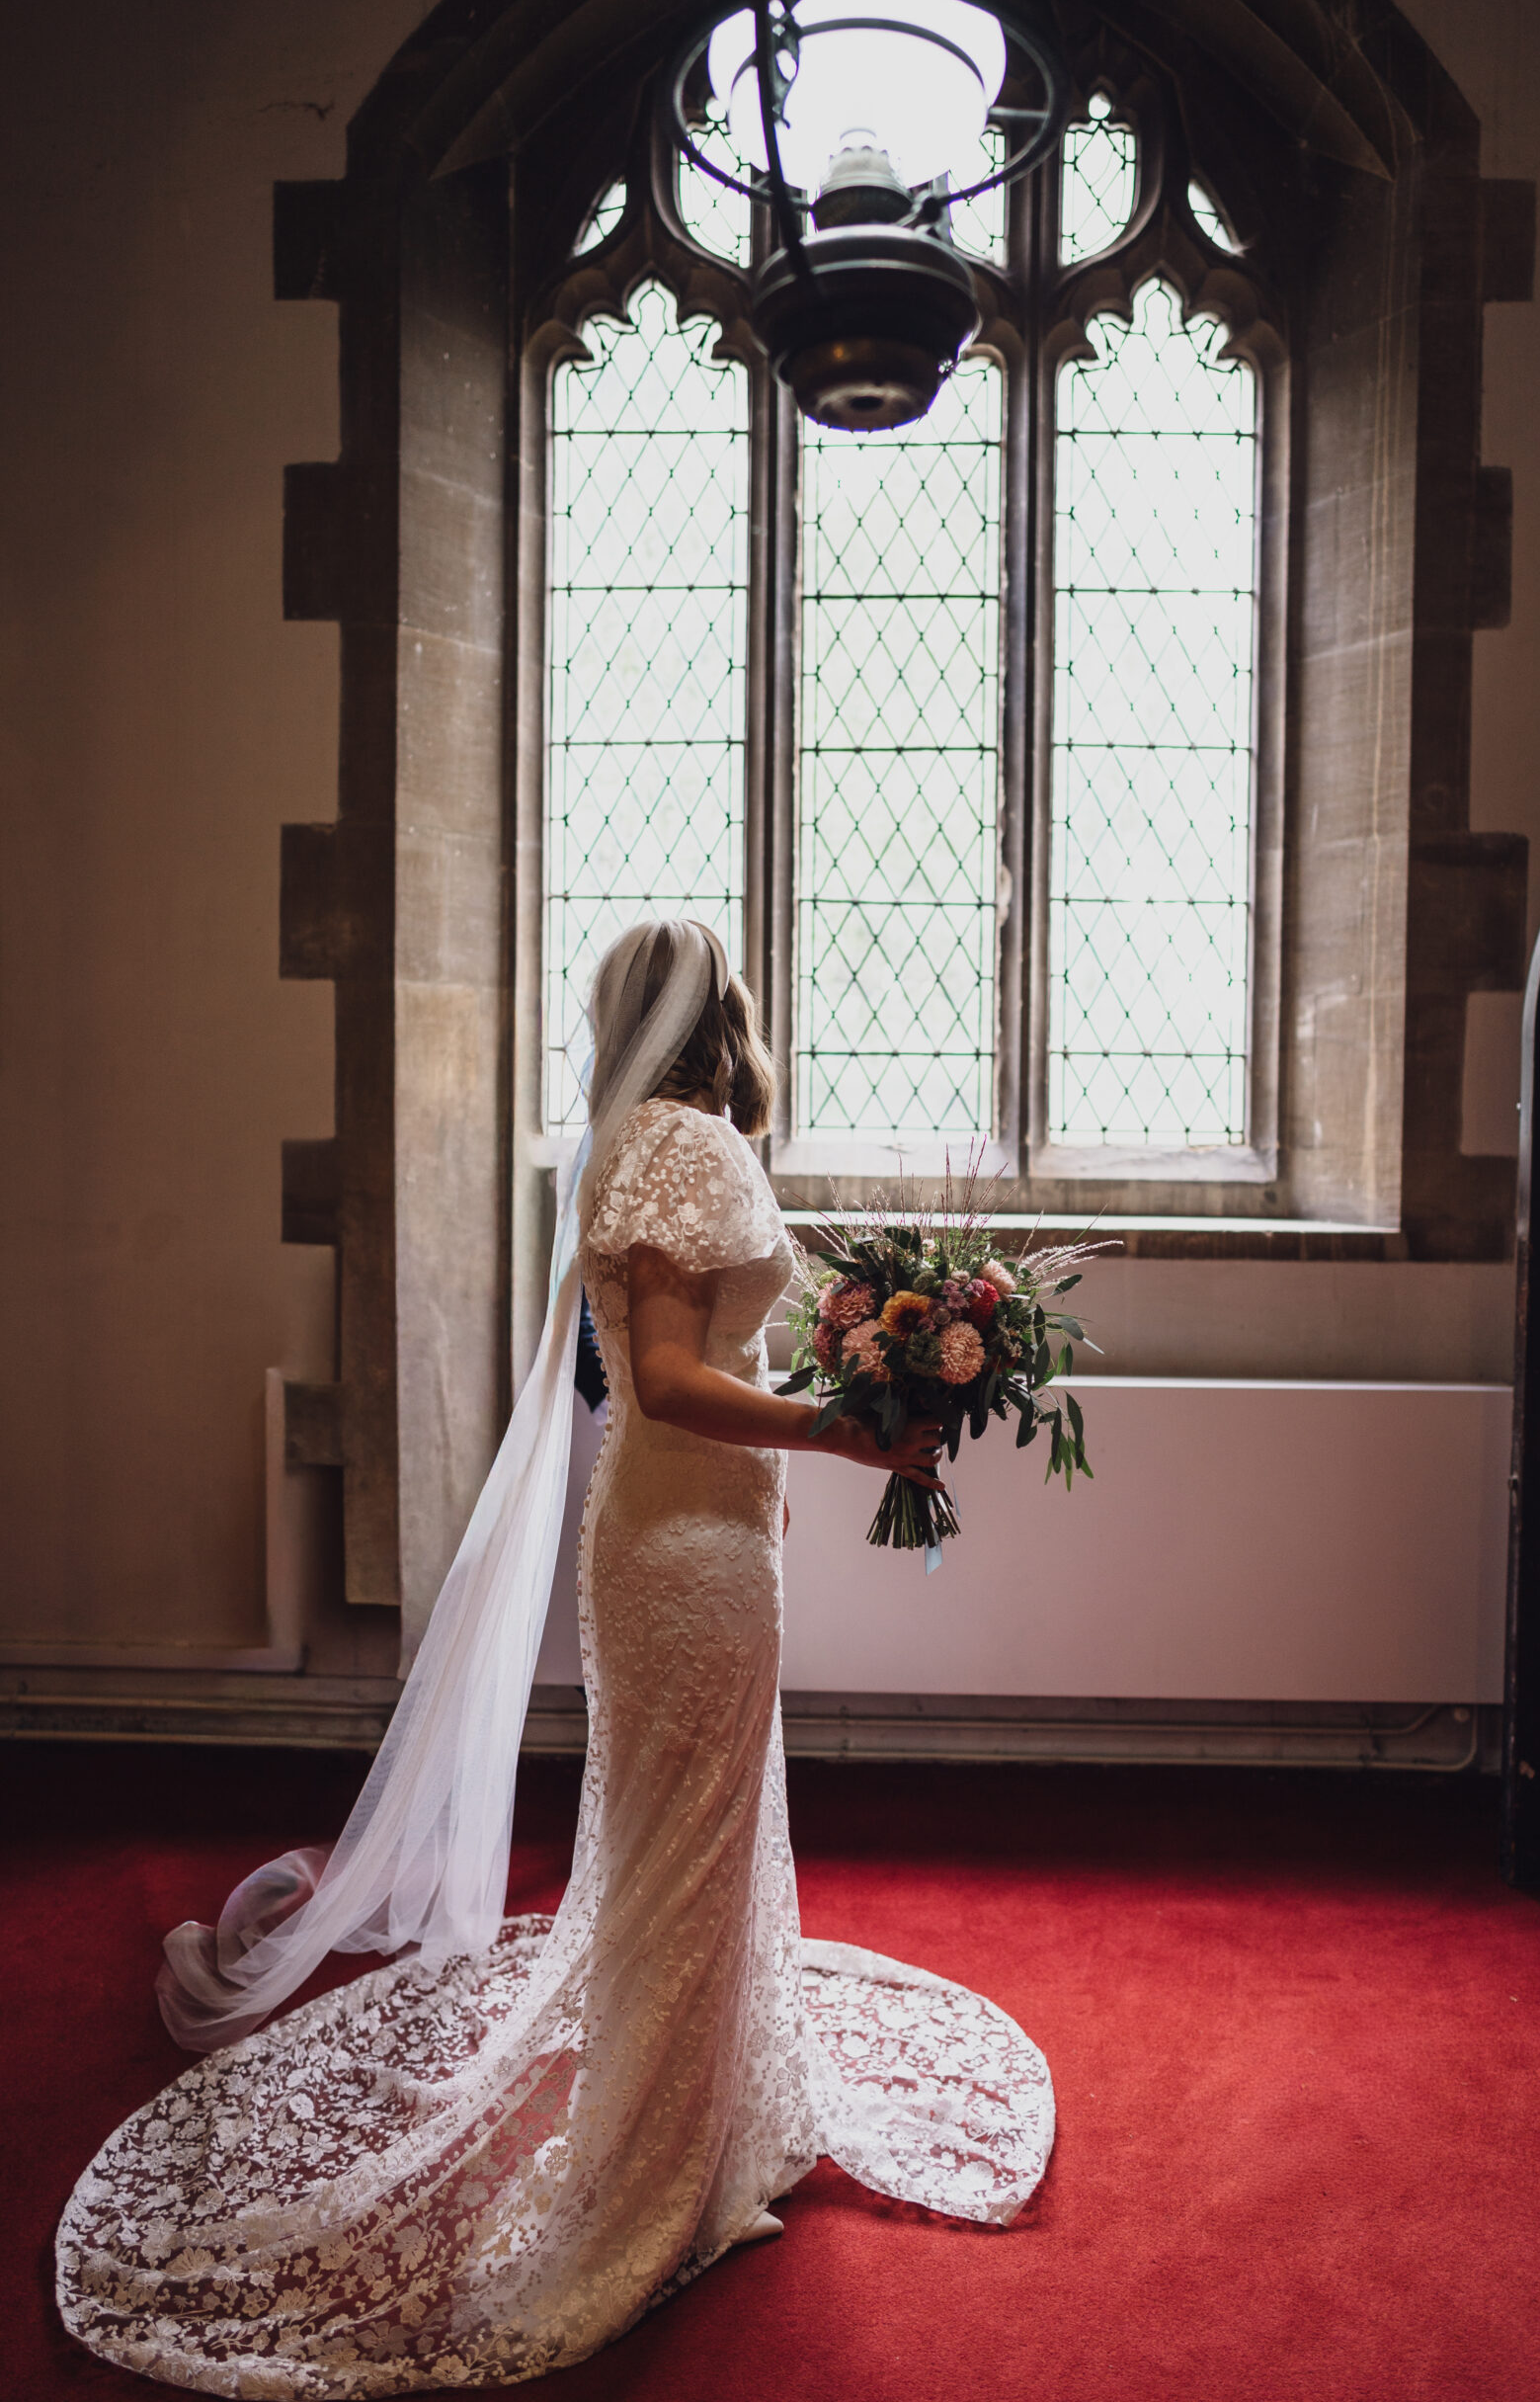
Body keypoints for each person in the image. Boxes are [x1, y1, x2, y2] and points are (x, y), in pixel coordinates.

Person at [56, 919, 1053, 2394]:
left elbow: (697, 1361)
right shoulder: (684, 1145)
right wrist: (847, 1431)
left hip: (682, 1539)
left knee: (685, 1846)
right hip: (689, 1555)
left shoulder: (648, 1140)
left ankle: (703, 2134)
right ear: (722, 1010)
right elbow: (660, 1381)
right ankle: (655, 2184)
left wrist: (848, 1393)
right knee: (680, 1853)